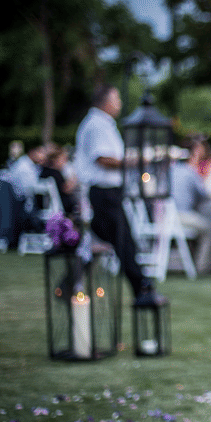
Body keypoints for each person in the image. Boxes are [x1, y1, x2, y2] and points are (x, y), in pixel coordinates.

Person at [74, 84, 152, 297]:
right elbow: (103, 158)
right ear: (106, 101)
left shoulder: (101, 124)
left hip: (107, 192)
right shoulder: (97, 125)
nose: (119, 104)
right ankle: (142, 288)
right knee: (123, 241)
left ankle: (69, 284)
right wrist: (134, 162)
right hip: (105, 192)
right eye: (116, 99)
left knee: (106, 241)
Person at [170, 136, 211, 275]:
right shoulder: (190, 172)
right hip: (181, 217)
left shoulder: (168, 171)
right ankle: (202, 268)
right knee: (209, 229)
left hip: (163, 217)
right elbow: (204, 194)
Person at [40, 143, 78, 214]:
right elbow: (67, 189)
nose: (65, 162)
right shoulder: (55, 174)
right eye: (63, 159)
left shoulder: (44, 171)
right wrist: (75, 177)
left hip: (48, 207)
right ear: (55, 160)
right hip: (61, 208)